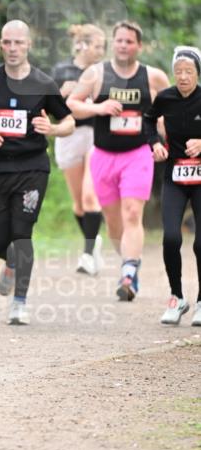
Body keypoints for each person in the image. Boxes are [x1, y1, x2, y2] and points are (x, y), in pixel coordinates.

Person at [0, 20, 75, 325]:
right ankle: (9, 264)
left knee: (22, 234)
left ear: (28, 45)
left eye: (18, 43)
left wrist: (53, 129)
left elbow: (70, 122)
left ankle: (19, 302)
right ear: (1, 44)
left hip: (32, 168)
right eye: (7, 42)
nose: (12, 48)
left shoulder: (44, 83)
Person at [67, 20, 169, 301]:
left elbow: (171, 108)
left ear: (139, 45)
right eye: (120, 41)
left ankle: (129, 271)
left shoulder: (153, 77)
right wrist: (99, 106)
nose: (124, 45)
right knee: (113, 223)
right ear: (114, 44)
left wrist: (162, 134)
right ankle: (128, 259)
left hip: (137, 155)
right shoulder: (96, 74)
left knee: (133, 213)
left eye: (129, 41)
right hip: (103, 156)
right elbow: (72, 105)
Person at [144, 46, 201, 327]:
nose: (183, 76)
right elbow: (148, 120)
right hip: (175, 176)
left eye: (188, 71)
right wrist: (154, 142)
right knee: (171, 238)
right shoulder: (165, 98)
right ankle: (176, 297)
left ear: (197, 74)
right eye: (178, 71)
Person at [51, 24, 106, 275]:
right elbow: (49, 107)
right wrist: (61, 95)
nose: (101, 51)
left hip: (96, 135)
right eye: (98, 46)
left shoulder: (104, 72)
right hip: (69, 133)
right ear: (82, 45)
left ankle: (86, 254)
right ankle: (93, 243)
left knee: (90, 196)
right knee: (78, 204)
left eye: (103, 47)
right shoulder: (61, 70)